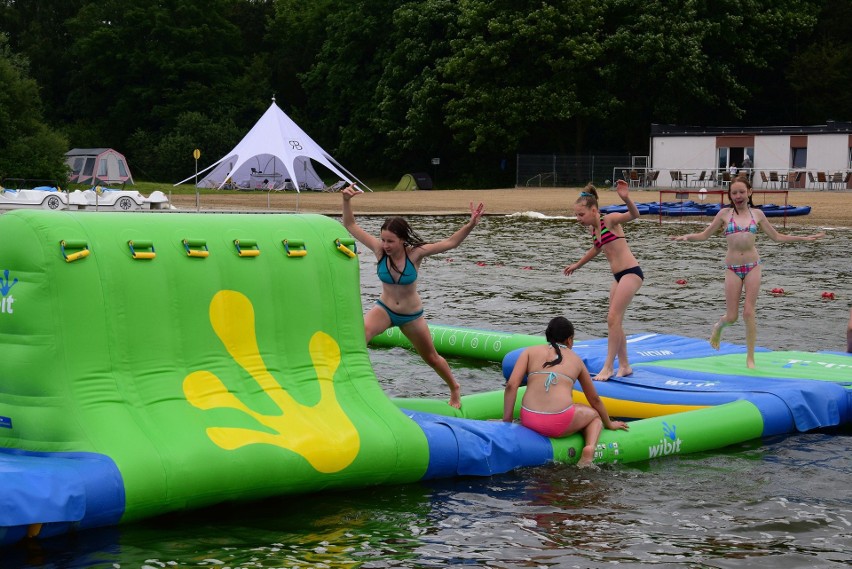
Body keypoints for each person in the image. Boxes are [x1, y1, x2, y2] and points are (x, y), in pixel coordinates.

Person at [341, 184, 485, 408]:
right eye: (384, 240)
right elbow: (350, 225)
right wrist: (347, 200)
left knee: (431, 358)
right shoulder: (379, 250)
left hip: (410, 315)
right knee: (358, 339)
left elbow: (451, 243)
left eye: (391, 241)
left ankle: (455, 389)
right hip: (385, 309)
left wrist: (470, 225)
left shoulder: (415, 253)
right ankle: (354, 387)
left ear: (402, 240)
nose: (386, 245)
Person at [671, 175, 825, 367]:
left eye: (742, 192)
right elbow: (704, 235)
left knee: (748, 313)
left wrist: (804, 238)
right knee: (732, 317)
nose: (738, 196)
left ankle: (750, 357)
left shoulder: (757, 214)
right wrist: (687, 237)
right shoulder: (724, 215)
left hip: (753, 266)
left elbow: (776, 237)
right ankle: (718, 326)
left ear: (750, 192)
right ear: (730, 195)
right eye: (734, 192)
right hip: (732, 268)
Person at [502, 316, 629, 467]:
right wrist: (609, 423)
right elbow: (594, 399)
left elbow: (511, 386)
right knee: (594, 416)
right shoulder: (576, 360)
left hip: (529, 419)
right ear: (569, 340)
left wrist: (507, 421)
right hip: (558, 422)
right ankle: (589, 449)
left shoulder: (529, 352)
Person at [564, 179, 643, 380]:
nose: (578, 219)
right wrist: (577, 265)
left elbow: (635, 215)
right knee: (615, 322)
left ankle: (608, 367)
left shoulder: (609, 220)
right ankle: (624, 365)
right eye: (576, 215)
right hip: (618, 277)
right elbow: (597, 249)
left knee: (612, 318)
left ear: (593, 210)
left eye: (581, 214)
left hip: (631, 273)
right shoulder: (593, 229)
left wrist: (626, 198)